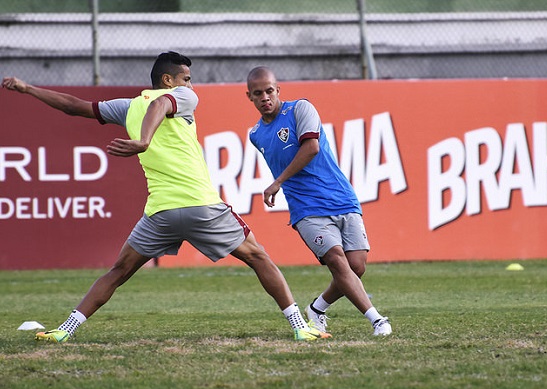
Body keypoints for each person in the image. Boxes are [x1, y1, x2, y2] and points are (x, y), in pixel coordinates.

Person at [2, 51, 330, 342]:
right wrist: (144, 141)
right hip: (202, 206)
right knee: (258, 257)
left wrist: (29, 89)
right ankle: (299, 326)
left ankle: (65, 329)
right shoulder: (184, 96)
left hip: (161, 213)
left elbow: (75, 107)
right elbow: (160, 104)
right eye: (186, 78)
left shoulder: (129, 107)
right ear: (168, 80)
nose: (190, 84)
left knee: (118, 272)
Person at [245, 66, 391, 336]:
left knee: (356, 266)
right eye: (258, 93)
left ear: (278, 90)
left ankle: (317, 308)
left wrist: (278, 182)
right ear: (249, 97)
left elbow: (311, 147)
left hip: (341, 196)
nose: (264, 97)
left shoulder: (301, 109)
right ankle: (377, 320)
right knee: (336, 260)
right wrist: (283, 183)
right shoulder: (256, 135)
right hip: (306, 209)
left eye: (269, 91)